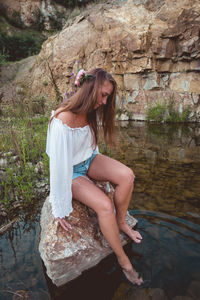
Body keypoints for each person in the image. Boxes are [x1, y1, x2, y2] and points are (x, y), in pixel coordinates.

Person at [46, 68, 143, 285]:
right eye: (103, 95)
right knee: (105, 206)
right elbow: (58, 167)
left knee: (127, 175)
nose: (105, 101)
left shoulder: (90, 112)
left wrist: (98, 167)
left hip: (88, 160)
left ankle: (121, 222)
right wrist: (58, 206)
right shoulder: (62, 119)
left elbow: (90, 146)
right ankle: (123, 260)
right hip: (71, 172)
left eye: (108, 96)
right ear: (89, 88)